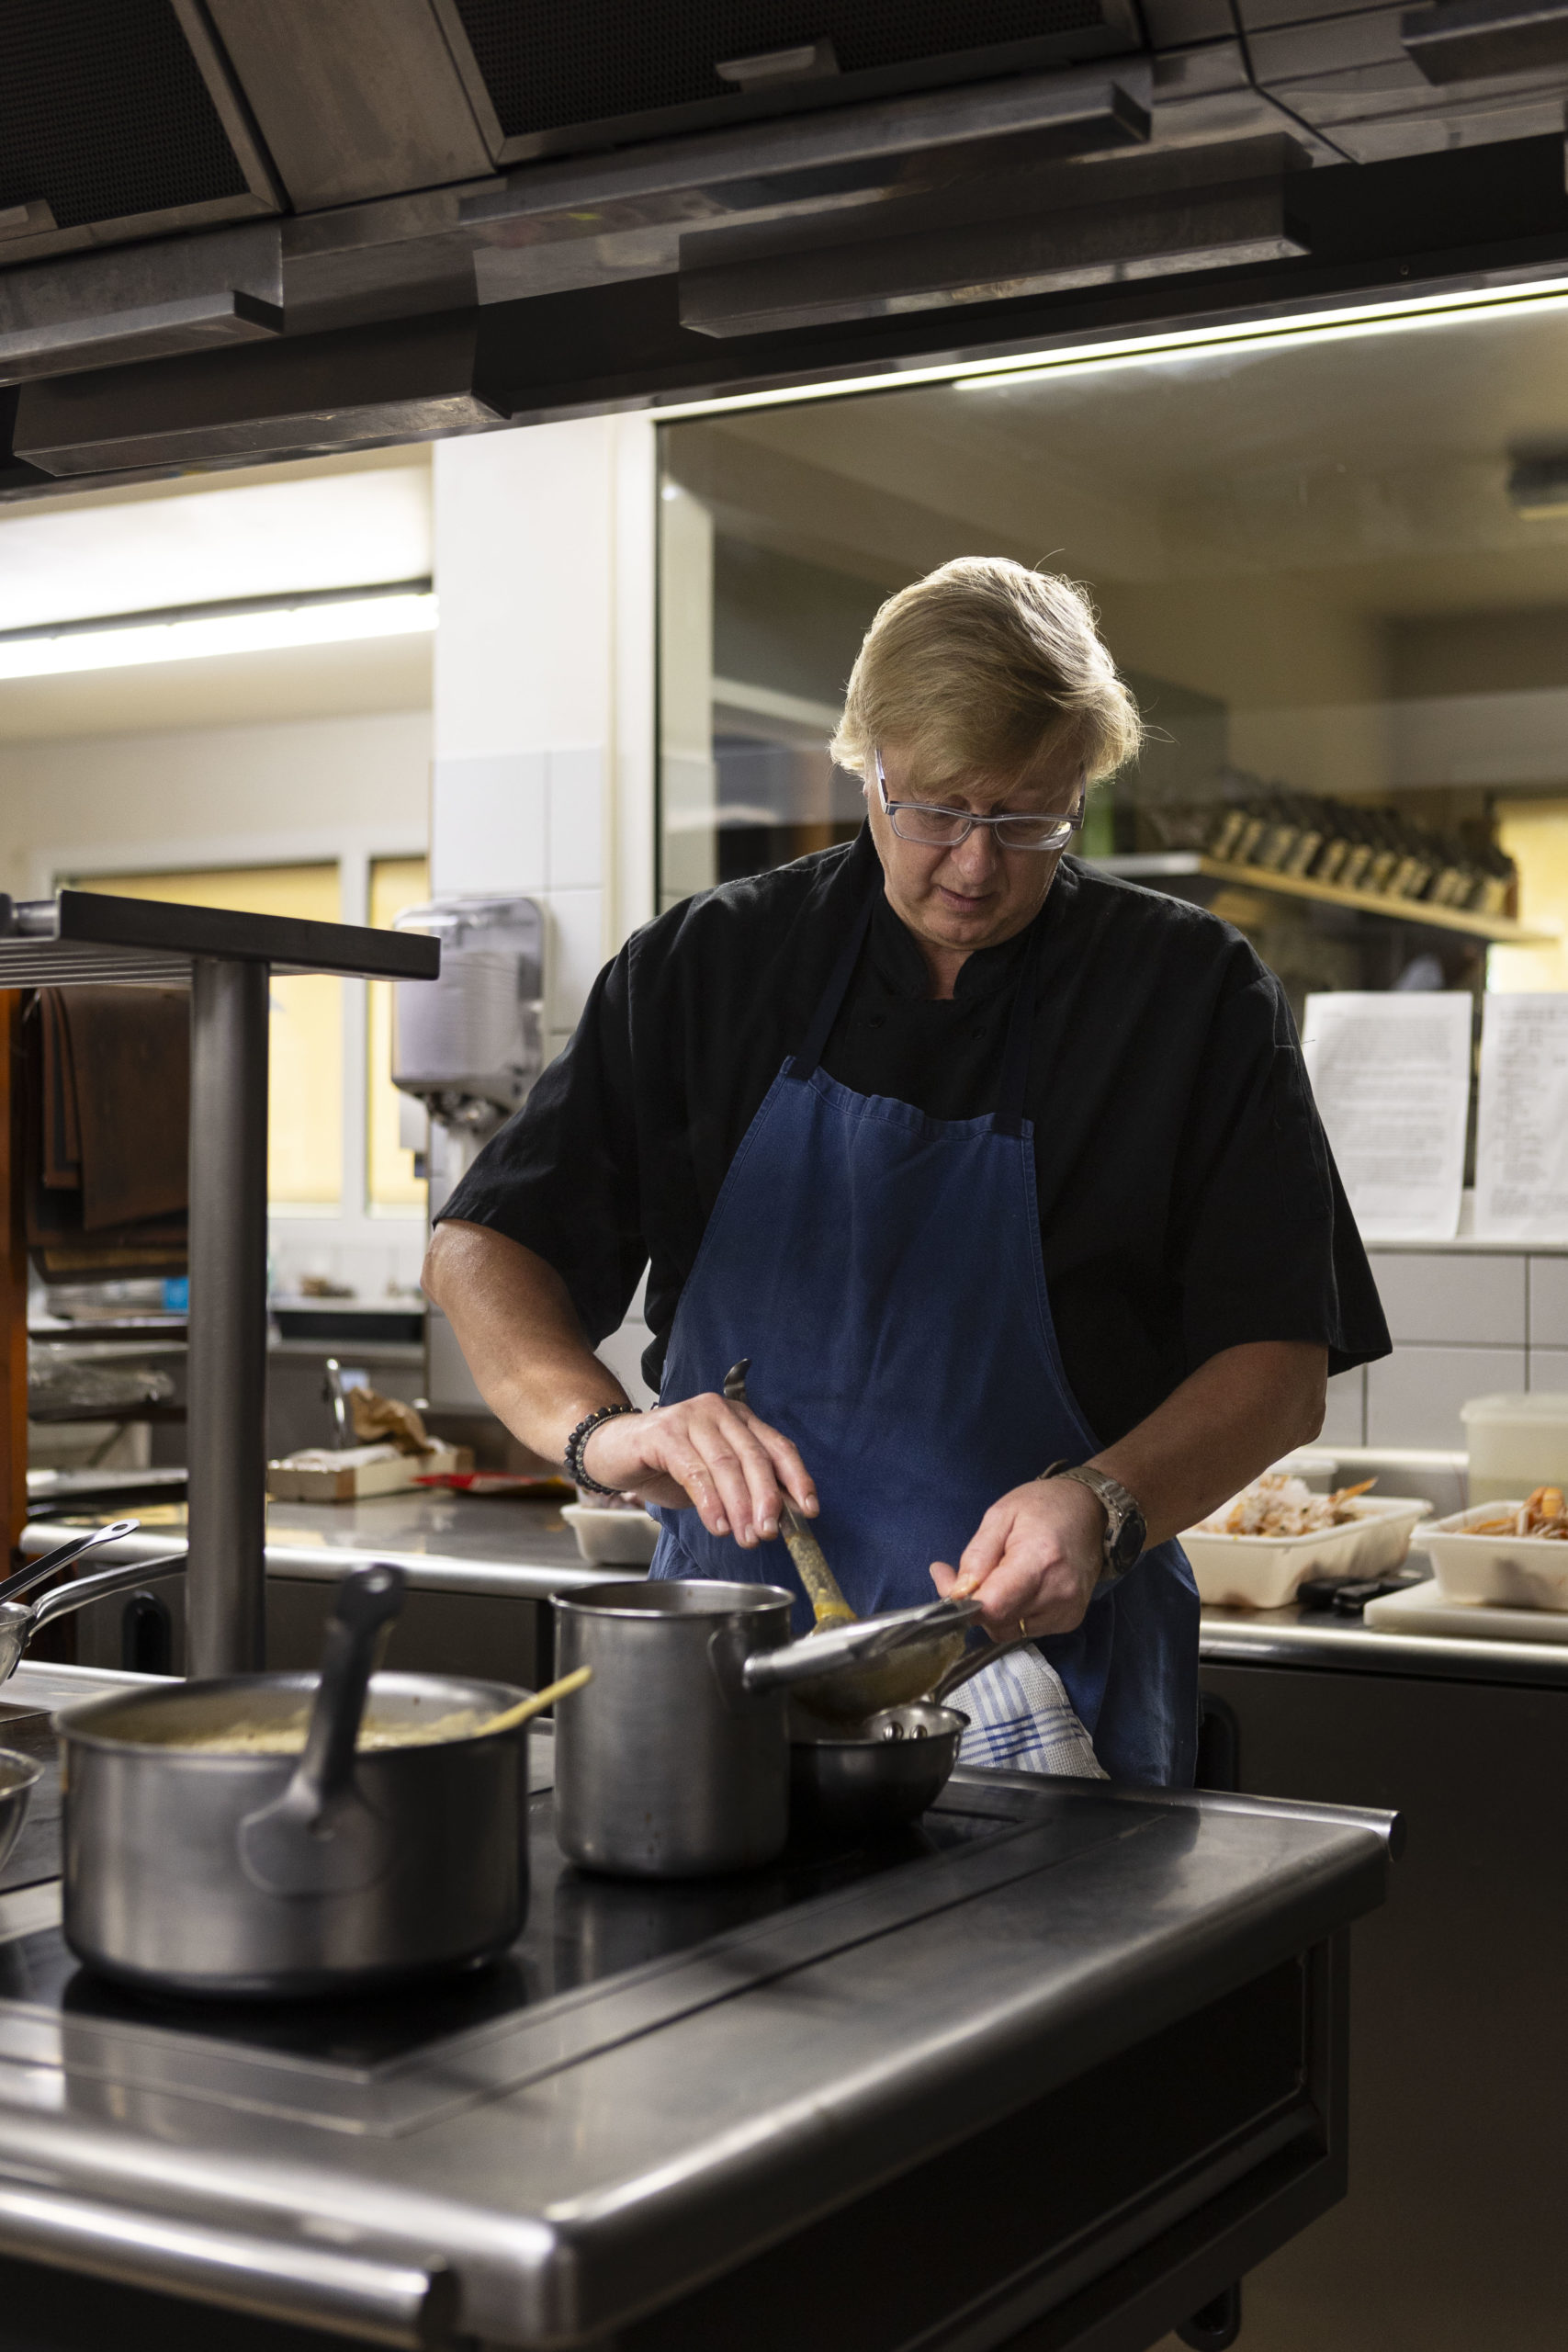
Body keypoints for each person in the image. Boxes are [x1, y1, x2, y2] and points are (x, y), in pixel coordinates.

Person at [423, 557, 1390, 1784]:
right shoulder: (708, 966)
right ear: (862, 762)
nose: (975, 866)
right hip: (738, 1673)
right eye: (933, 807)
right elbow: (481, 1249)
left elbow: (1280, 1367)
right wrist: (601, 1434)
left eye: (1029, 815)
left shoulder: (1188, 997)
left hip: (1059, 1671)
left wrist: (1105, 1504)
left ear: (1083, 784)